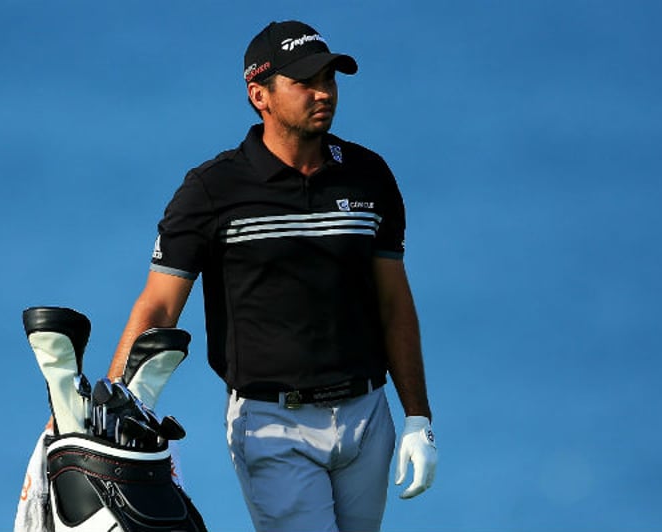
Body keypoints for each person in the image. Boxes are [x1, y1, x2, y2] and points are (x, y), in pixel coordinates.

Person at [106, 20, 438, 532]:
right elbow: (158, 306)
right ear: (259, 94)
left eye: (329, 79)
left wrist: (418, 417)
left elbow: (395, 302)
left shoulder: (370, 176)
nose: (323, 92)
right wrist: (111, 406)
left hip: (368, 415)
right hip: (272, 424)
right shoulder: (212, 190)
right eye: (305, 82)